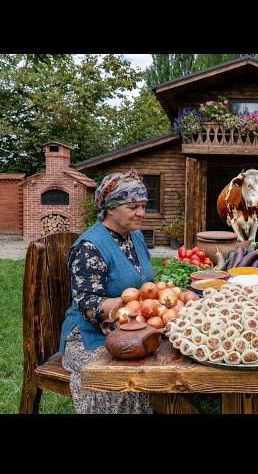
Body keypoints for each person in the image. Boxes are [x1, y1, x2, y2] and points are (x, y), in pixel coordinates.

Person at [59, 169, 155, 414]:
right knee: (121, 382)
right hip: (88, 337)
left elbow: (146, 281)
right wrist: (133, 303)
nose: (141, 213)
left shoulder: (135, 236)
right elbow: (90, 306)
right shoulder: (90, 246)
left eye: (143, 205)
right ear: (110, 208)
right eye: (133, 206)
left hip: (131, 329)